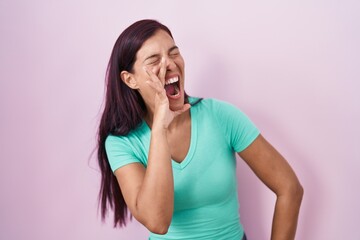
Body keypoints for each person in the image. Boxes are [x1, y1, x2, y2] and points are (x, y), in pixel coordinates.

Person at [97, 19, 303, 240]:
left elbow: (289, 188)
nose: (169, 64)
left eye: (174, 53)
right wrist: (160, 128)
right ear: (130, 79)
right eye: (154, 60)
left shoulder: (221, 116)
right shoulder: (121, 142)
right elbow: (157, 221)